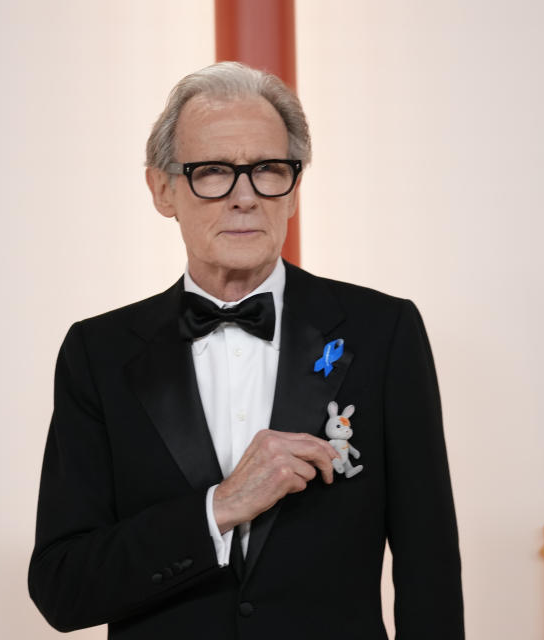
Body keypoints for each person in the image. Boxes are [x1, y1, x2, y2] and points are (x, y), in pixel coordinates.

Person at [28, 61, 464, 639]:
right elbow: (64, 587)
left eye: (267, 170)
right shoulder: (98, 352)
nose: (244, 198)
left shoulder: (383, 331)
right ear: (163, 190)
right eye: (212, 172)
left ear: (294, 188)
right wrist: (219, 507)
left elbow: (428, 565)